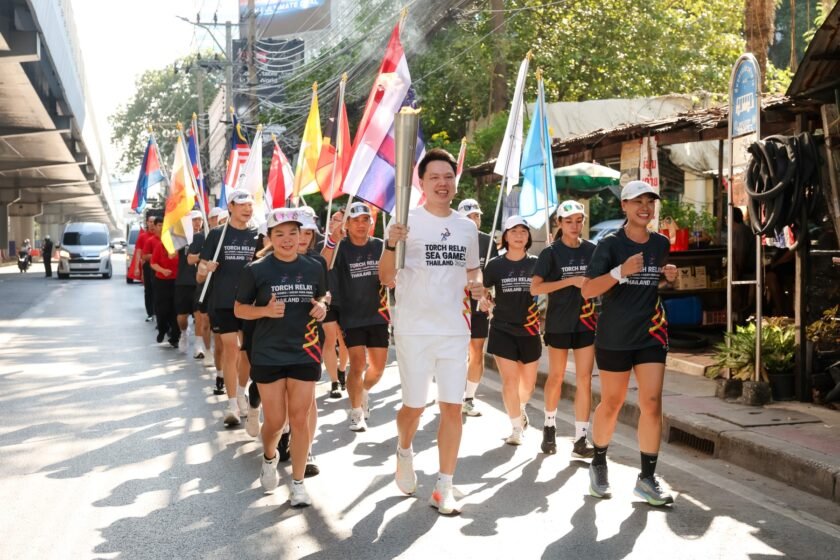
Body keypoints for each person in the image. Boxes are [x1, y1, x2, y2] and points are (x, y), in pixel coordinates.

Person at [379, 148, 482, 515]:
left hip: (454, 329)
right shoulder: (405, 222)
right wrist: (391, 243)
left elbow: (472, 270)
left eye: (448, 176)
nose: (442, 183)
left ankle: (444, 486)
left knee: (452, 407)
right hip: (414, 329)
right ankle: (404, 450)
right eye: (434, 177)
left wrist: (478, 285)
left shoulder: (467, 227)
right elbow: (386, 277)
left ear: (455, 181)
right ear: (421, 183)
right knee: (414, 407)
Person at [581, 180, 678, 507]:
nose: (645, 207)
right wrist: (620, 272)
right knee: (612, 402)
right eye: (638, 201)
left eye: (650, 201)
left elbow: (651, 283)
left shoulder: (661, 243)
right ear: (624, 205)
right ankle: (598, 462)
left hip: (651, 331)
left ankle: (647, 478)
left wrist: (667, 277)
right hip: (614, 334)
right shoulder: (610, 245)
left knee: (651, 401)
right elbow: (588, 290)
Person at [234, 207, 328, 508]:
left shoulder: (315, 266)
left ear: (301, 235)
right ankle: (269, 458)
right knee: (275, 422)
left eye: (293, 233)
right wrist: (264, 310)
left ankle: (298, 485)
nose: (287, 239)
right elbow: (239, 309)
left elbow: (323, 296)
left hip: (305, 349)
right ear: (270, 237)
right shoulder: (256, 270)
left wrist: (322, 306)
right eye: (280, 234)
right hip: (268, 352)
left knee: (299, 419)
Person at [531, 200, 597, 458]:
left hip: (586, 321)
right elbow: (536, 288)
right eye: (568, 221)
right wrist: (570, 281)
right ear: (559, 223)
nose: (574, 225)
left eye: (579, 221)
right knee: (557, 377)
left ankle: (581, 438)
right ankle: (549, 426)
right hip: (558, 323)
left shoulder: (592, 250)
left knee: (584, 380)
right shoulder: (551, 253)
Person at [322, 201, 390, 432]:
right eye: (355, 220)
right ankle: (356, 412)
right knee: (358, 364)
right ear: (347, 224)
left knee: (378, 369)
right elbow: (322, 264)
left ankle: (364, 391)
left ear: (371, 223)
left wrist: (393, 279)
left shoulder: (380, 246)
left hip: (378, 315)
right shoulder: (340, 247)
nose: (361, 224)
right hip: (351, 316)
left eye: (365, 220)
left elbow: (392, 272)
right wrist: (332, 240)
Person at [198, 190, 260, 426]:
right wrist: (206, 268)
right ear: (231, 206)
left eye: (250, 205)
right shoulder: (217, 234)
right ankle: (232, 404)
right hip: (224, 302)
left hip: (250, 303)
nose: (247, 209)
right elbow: (199, 275)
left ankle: (242, 391)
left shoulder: (257, 234)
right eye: (242, 205)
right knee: (231, 348)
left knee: (247, 354)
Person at [480, 215, 540, 446]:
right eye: (513, 231)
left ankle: (520, 408)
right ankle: (516, 428)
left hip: (530, 329)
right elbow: (483, 289)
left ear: (528, 237)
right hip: (502, 328)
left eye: (523, 231)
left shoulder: (537, 263)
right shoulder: (495, 265)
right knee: (510, 381)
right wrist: (484, 299)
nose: (518, 235)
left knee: (528, 385)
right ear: (505, 236)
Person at [457, 198, 497, 417]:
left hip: (479, 305)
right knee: (455, 352)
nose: (474, 220)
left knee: (476, 351)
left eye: (477, 216)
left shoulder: (488, 242)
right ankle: (451, 394)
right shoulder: (451, 238)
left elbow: (494, 275)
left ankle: (469, 398)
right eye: (469, 216)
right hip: (455, 305)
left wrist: (489, 297)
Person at [317, 208, 350, 398]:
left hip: (346, 299)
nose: (334, 222)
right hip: (327, 298)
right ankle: (334, 381)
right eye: (333, 219)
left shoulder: (351, 244)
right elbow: (319, 266)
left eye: (339, 220)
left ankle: (342, 369)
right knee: (330, 339)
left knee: (344, 342)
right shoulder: (321, 244)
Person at [174, 211, 203, 355]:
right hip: (183, 281)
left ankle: (198, 346)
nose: (197, 222)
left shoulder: (205, 237)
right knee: (182, 316)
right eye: (194, 220)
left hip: (200, 281)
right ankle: (184, 334)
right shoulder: (181, 239)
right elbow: (171, 253)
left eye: (199, 220)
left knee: (199, 315)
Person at [148, 217, 180, 347]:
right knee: (162, 310)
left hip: (176, 282)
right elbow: (153, 263)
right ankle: (162, 329)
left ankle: (175, 337)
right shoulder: (159, 246)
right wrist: (163, 270)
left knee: (175, 310)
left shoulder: (179, 248)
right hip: (161, 282)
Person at [136, 214, 157, 322]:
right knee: (148, 290)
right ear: (147, 223)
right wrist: (137, 268)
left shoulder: (162, 236)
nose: (152, 224)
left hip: (159, 266)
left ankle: (157, 312)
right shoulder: (143, 237)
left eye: (154, 222)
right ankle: (150, 313)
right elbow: (139, 252)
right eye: (150, 222)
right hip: (148, 266)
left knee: (157, 290)